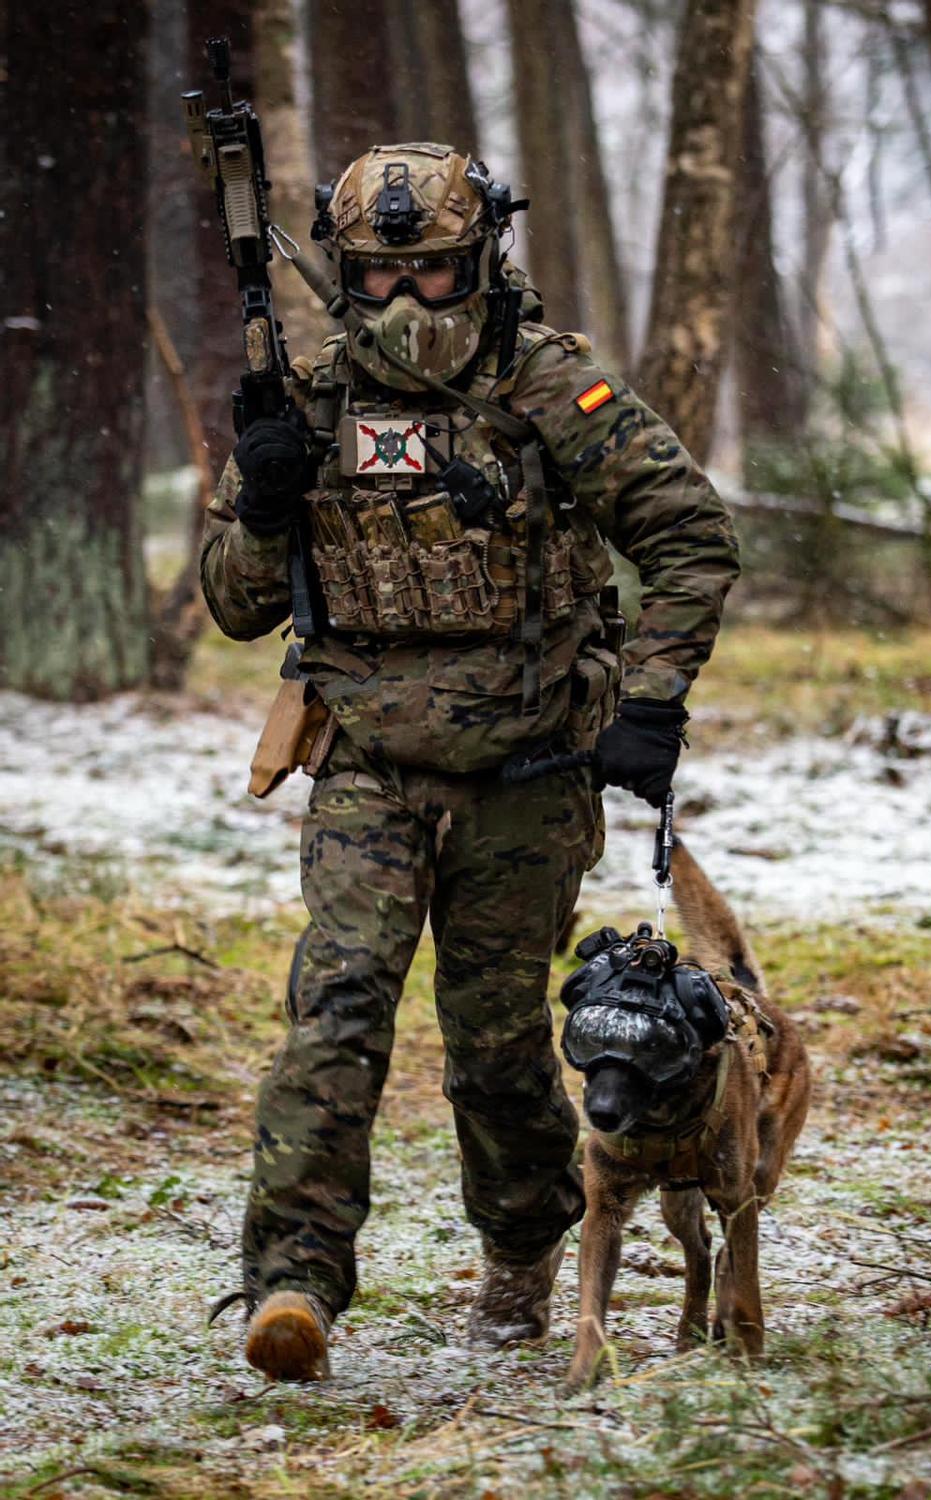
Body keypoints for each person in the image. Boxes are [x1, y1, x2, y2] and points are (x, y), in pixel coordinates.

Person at [200, 144, 739, 1381]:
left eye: (435, 274)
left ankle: (522, 1252)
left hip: (528, 767)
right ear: (345, 277)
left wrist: (650, 703)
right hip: (368, 764)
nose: (407, 306)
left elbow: (692, 537)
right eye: (381, 278)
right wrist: (269, 499)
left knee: (495, 1040)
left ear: (483, 258)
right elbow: (233, 606)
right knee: (332, 1015)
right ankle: (292, 1283)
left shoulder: (549, 388)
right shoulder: (312, 399)